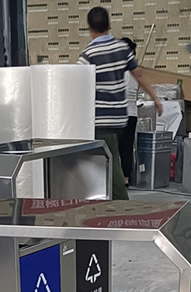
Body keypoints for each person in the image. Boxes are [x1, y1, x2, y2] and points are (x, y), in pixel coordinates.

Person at [78, 7, 162, 200]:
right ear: (109, 25)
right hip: (119, 118)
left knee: (106, 161)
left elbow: (77, 82)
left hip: (100, 119)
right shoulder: (122, 48)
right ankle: (108, 199)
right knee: (110, 157)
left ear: (90, 28)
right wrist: (155, 98)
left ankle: (121, 202)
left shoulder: (89, 53)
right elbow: (139, 74)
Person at [118, 38, 139, 186]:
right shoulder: (135, 71)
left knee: (118, 148)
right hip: (132, 114)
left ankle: (120, 177)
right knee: (127, 147)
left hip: (121, 114)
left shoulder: (122, 71)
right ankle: (126, 177)